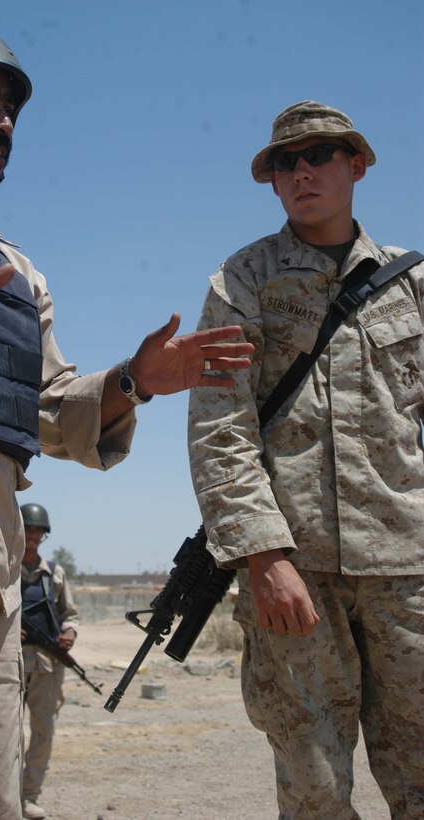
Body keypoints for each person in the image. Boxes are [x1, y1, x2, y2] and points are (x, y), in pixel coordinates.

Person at [0, 19, 255, 820]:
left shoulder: (14, 273)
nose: (4, 124)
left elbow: (51, 413)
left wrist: (132, 381)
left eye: (12, 109)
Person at [188, 100, 424, 818]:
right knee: (314, 790)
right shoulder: (242, 280)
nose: (301, 172)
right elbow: (218, 427)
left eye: (317, 155)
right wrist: (263, 556)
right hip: (296, 577)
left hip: (408, 572)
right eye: (284, 162)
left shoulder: (412, 283)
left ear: (355, 166)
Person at [19, 503, 77, 820]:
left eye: (37, 530)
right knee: (5, 736)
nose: (32, 535)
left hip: (45, 666)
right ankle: (4, 794)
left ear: (44, 534)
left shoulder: (54, 572)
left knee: (42, 734)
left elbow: (71, 615)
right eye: (28, 528)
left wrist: (70, 634)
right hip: (7, 666)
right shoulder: (4, 567)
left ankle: (29, 796)